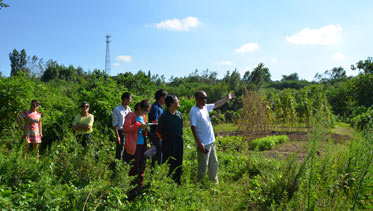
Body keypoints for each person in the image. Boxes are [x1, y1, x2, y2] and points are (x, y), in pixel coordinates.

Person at [189, 90, 233, 183]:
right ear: (196, 99)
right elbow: (193, 128)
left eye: (205, 98)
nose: (204, 100)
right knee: (203, 166)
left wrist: (226, 99)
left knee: (214, 163)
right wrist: (199, 143)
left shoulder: (205, 107)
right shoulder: (194, 111)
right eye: (201, 98)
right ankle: (201, 185)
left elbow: (216, 104)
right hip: (204, 144)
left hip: (211, 142)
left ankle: (213, 183)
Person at [123, 99, 151, 187]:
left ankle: (139, 183)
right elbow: (125, 128)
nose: (146, 113)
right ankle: (131, 184)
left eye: (147, 111)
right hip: (133, 145)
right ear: (140, 108)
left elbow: (143, 132)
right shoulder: (130, 116)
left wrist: (146, 129)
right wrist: (138, 125)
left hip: (142, 144)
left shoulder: (144, 117)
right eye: (145, 110)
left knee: (142, 163)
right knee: (134, 164)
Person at [158, 95, 183, 185]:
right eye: (177, 100)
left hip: (179, 141)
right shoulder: (164, 116)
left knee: (179, 161)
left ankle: (177, 182)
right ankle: (168, 182)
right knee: (169, 162)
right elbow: (159, 131)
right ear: (171, 104)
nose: (178, 101)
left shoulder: (179, 115)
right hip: (168, 143)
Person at [148, 89, 167, 167]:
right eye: (165, 97)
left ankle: (155, 170)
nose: (166, 99)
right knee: (158, 153)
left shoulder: (161, 107)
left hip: (160, 134)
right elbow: (154, 121)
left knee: (158, 153)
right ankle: (155, 172)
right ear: (161, 98)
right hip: (156, 134)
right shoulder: (155, 107)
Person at [112, 92, 132, 161]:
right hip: (121, 132)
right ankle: (117, 165)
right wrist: (117, 136)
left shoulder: (128, 109)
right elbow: (115, 124)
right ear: (125, 99)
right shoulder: (117, 109)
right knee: (120, 149)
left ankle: (123, 164)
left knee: (127, 149)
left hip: (128, 132)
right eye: (129, 99)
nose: (130, 101)